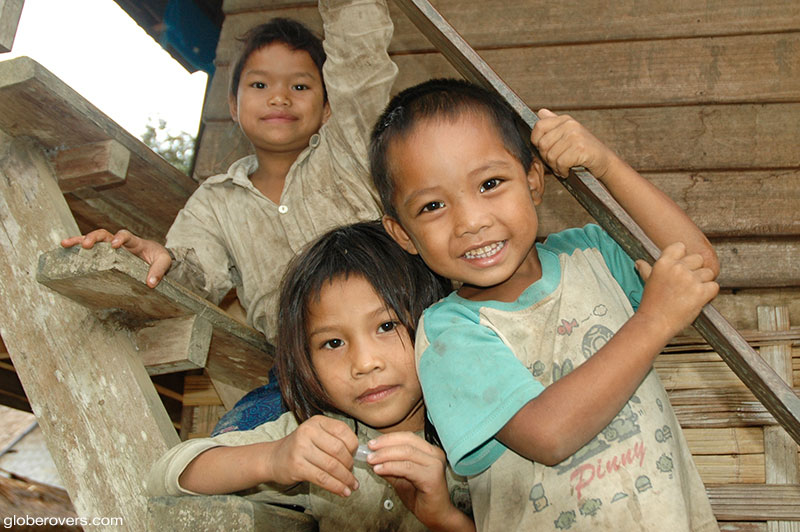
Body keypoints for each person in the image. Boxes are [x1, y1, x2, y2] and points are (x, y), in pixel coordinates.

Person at [369, 78, 721, 531]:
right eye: (433, 205)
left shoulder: (593, 255)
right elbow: (548, 435)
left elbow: (694, 265)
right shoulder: (447, 335)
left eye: (490, 183)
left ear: (534, 179)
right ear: (402, 234)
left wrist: (604, 163)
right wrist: (654, 321)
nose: (472, 222)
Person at [61, 1, 397, 430]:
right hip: (301, 374)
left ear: (328, 108)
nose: (279, 97)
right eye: (259, 85)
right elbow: (194, 271)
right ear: (233, 106)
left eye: (300, 87)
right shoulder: (215, 202)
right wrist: (155, 258)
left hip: (399, 341)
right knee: (230, 442)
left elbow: (360, 59)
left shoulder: (349, 150)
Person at [147, 221, 474, 532]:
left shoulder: (482, 436)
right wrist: (273, 459)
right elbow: (169, 473)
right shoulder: (323, 439)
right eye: (333, 343)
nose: (363, 363)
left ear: (436, 320)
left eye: (387, 326)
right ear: (304, 360)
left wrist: (445, 519)